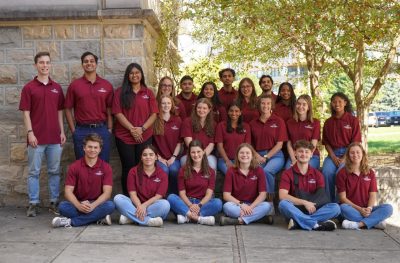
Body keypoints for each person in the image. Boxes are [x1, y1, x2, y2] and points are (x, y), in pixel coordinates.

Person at [19, 51, 66, 217]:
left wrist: (62, 132)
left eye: (47, 62)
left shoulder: (57, 88)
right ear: (36, 65)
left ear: (50, 65)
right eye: (41, 62)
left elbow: (60, 111)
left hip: (54, 138)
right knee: (34, 172)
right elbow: (26, 113)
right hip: (36, 139)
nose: (44, 65)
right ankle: (33, 204)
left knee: (54, 171)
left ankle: (54, 202)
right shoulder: (29, 88)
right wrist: (30, 133)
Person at [112, 63, 158, 196]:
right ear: (128, 75)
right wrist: (132, 129)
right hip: (124, 137)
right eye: (131, 73)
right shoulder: (120, 92)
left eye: (137, 72)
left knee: (143, 167)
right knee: (128, 168)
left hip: (145, 135)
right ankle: (127, 198)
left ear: (141, 75)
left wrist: (141, 129)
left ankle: (141, 197)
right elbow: (118, 113)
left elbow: (154, 114)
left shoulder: (148, 92)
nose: (134, 75)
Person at [51, 134, 115, 227]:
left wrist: (93, 206)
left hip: (97, 204)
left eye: (95, 147)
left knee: (110, 205)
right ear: (84, 148)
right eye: (89, 147)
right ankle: (97, 218)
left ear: (100, 149)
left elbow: (107, 194)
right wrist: (79, 206)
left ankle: (71, 222)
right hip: (79, 203)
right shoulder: (74, 166)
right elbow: (68, 192)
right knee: (62, 206)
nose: (92, 150)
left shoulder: (106, 167)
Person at [279, 140, 340, 231]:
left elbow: (321, 197)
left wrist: (311, 205)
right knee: (283, 204)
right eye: (300, 151)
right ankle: (315, 224)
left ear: (311, 154)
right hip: (296, 209)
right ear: (295, 153)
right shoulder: (287, 174)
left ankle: (299, 222)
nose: (304, 154)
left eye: (307, 152)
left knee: (336, 208)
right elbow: (282, 196)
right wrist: (304, 203)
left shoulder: (318, 174)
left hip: (313, 209)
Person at [65, 51, 113, 162]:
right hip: (81, 130)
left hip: (102, 129)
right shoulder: (75, 85)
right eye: (86, 61)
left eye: (92, 61)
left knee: (103, 164)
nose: (89, 63)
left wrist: (109, 129)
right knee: (82, 166)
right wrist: (74, 131)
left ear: (96, 64)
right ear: (82, 64)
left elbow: (110, 109)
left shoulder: (106, 85)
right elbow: (67, 108)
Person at [336, 143, 393, 230]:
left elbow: (373, 194)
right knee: (342, 208)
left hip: (367, 209)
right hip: (351, 209)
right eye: (352, 153)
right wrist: (360, 209)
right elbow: (343, 198)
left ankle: (358, 224)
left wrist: (369, 208)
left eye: (358, 152)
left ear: (362, 154)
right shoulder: (342, 173)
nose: (355, 155)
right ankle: (375, 222)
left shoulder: (370, 172)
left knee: (388, 208)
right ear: (348, 155)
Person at [167, 140, 222, 225]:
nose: (196, 155)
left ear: (203, 152)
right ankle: (199, 219)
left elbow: (209, 194)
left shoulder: (210, 171)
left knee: (218, 203)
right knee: (171, 197)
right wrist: (190, 205)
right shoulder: (183, 170)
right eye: (193, 152)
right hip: (186, 203)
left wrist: (199, 205)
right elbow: (182, 193)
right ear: (189, 154)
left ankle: (187, 217)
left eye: (198, 151)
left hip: (202, 203)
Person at [114, 145, 170, 227]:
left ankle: (131, 218)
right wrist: (140, 206)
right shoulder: (133, 171)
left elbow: (158, 196)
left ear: (156, 157)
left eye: (151, 154)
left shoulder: (162, 174)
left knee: (165, 204)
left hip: (152, 206)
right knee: (118, 198)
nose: (148, 157)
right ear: (141, 157)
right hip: (136, 205)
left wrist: (144, 206)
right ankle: (148, 221)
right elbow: (132, 194)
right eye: (145, 155)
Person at [322, 92, 361, 202]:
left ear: (345, 103)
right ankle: (329, 204)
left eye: (340, 101)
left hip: (349, 153)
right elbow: (326, 143)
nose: (337, 104)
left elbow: (355, 142)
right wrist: (333, 157)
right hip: (333, 153)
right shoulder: (328, 122)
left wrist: (345, 157)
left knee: (340, 173)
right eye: (334, 102)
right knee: (327, 172)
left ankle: (340, 203)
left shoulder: (353, 120)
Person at [220, 143, 272, 225]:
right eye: (241, 153)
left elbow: (263, 195)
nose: (244, 155)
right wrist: (242, 205)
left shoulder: (259, 170)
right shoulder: (231, 171)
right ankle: (257, 219)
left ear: (252, 156)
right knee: (226, 207)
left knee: (267, 206)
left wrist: (250, 207)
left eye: (247, 153)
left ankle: (239, 220)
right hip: (237, 205)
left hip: (253, 205)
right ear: (237, 155)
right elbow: (226, 195)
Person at [250, 94, 287, 197]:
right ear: (258, 105)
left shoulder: (279, 121)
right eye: (262, 103)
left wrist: (266, 157)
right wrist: (257, 156)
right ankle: (253, 201)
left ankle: (269, 202)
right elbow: (249, 144)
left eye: (268, 103)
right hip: (258, 155)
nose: (265, 106)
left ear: (272, 105)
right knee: (253, 172)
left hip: (276, 155)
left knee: (267, 170)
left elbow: (280, 145)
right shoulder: (253, 123)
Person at [153, 95, 182, 194]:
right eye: (163, 103)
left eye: (168, 103)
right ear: (159, 105)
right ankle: (162, 195)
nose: (166, 105)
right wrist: (159, 158)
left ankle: (173, 195)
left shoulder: (177, 120)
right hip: (158, 157)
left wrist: (173, 157)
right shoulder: (155, 120)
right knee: (164, 170)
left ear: (172, 105)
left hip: (173, 157)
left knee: (174, 170)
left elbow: (179, 142)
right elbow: (150, 143)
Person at [180, 98, 217, 170]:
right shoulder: (187, 121)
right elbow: (189, 143)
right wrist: (197, 156)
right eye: (199, 108)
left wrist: (202, 157)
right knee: (187, 165)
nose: (201, 110)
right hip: (190, 154)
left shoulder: (213, 124)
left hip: (207, 155)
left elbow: (211, 144)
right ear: (195, 108)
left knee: (211, 165)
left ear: (209, 110)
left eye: (204, 108)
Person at [285, 95, 321, 169]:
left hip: (311, 156)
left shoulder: (315, 123)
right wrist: (293, 159)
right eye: (298, 103)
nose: (300, 106)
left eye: (304, 104)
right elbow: (289, 143)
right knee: (288, 170)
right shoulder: (289, 122)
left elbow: (313, 143)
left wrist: (304, 160)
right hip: (295, 155)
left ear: (308, 107)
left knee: (304, 169)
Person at [216, 101, 251, 175]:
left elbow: (246, 146)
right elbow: (219, 146)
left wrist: (240, 161)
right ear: (228, 112)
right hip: (224, 159)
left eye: (236, 111)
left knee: (244, 173)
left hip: (241, 159)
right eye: (231, 111)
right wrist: (227, 161)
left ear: (240, 112)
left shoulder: (246, 126)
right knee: (231, 173)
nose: (234, 113)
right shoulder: (221, 126)